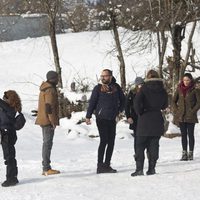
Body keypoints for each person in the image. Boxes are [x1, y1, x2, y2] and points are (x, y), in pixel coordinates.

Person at [86, 69, 125, 174]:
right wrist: (88, 116)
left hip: (112, 118)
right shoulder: (98, 88)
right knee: (104, 141)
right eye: (102, 76)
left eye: (105, 76)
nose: (103, 77)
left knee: (111, 142)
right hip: (101, 118)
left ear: (110, 77)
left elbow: (123, 100)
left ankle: (107, 165)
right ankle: (100, 165)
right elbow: (92, 102)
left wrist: (119, 110)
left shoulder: (116, 87)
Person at [131, 69, 168, 176]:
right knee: (154, 145)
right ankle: (152, 169)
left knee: (140, 145)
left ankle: (139, 169)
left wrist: (140, 112)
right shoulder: (162, 90)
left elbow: (136, 103)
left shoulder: (143, 89)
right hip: (157, 119)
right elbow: (164, 105)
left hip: (144, 120)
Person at [35, 70, 60, 176]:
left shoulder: (45, 88)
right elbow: (49, 107)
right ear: (53, 78)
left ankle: (46, 167)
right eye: (57, 78)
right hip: (47, 120)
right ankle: (46, 168)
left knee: (46, 143)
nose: (58, 80)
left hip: (43, 119)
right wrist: (53, 121)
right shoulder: (50, 89)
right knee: (47, 143)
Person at [172, 73, 200, 161]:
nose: (186, 82)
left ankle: (190, 153)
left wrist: (192, 111)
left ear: (190, 80)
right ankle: (184, 153)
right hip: (181, 116)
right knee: (183, 135)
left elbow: (199, 103)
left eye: (188, 80)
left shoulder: (195, 89)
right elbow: (173, 101)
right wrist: (177, 110)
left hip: (191, 116)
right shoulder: (179, 89)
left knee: (190, 135)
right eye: (184, 80)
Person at [0, 90, 22, 187]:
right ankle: (13, 177)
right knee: (10, 156)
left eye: (5, 98)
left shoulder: (10, 109)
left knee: (9, 157)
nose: (4, 100)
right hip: (6, 134)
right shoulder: (8, 108)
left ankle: (11, 178)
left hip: (8, 134)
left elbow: (3, 105)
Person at [125, 77, 144, 153]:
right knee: (137, 137)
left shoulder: (146, 92)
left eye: (142, 84)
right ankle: (137, 153)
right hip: (135, 117)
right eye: (139, 85)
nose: (141, 86)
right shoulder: (132, 93)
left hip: (144, 117)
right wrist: (128, 116)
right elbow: (127, 106)